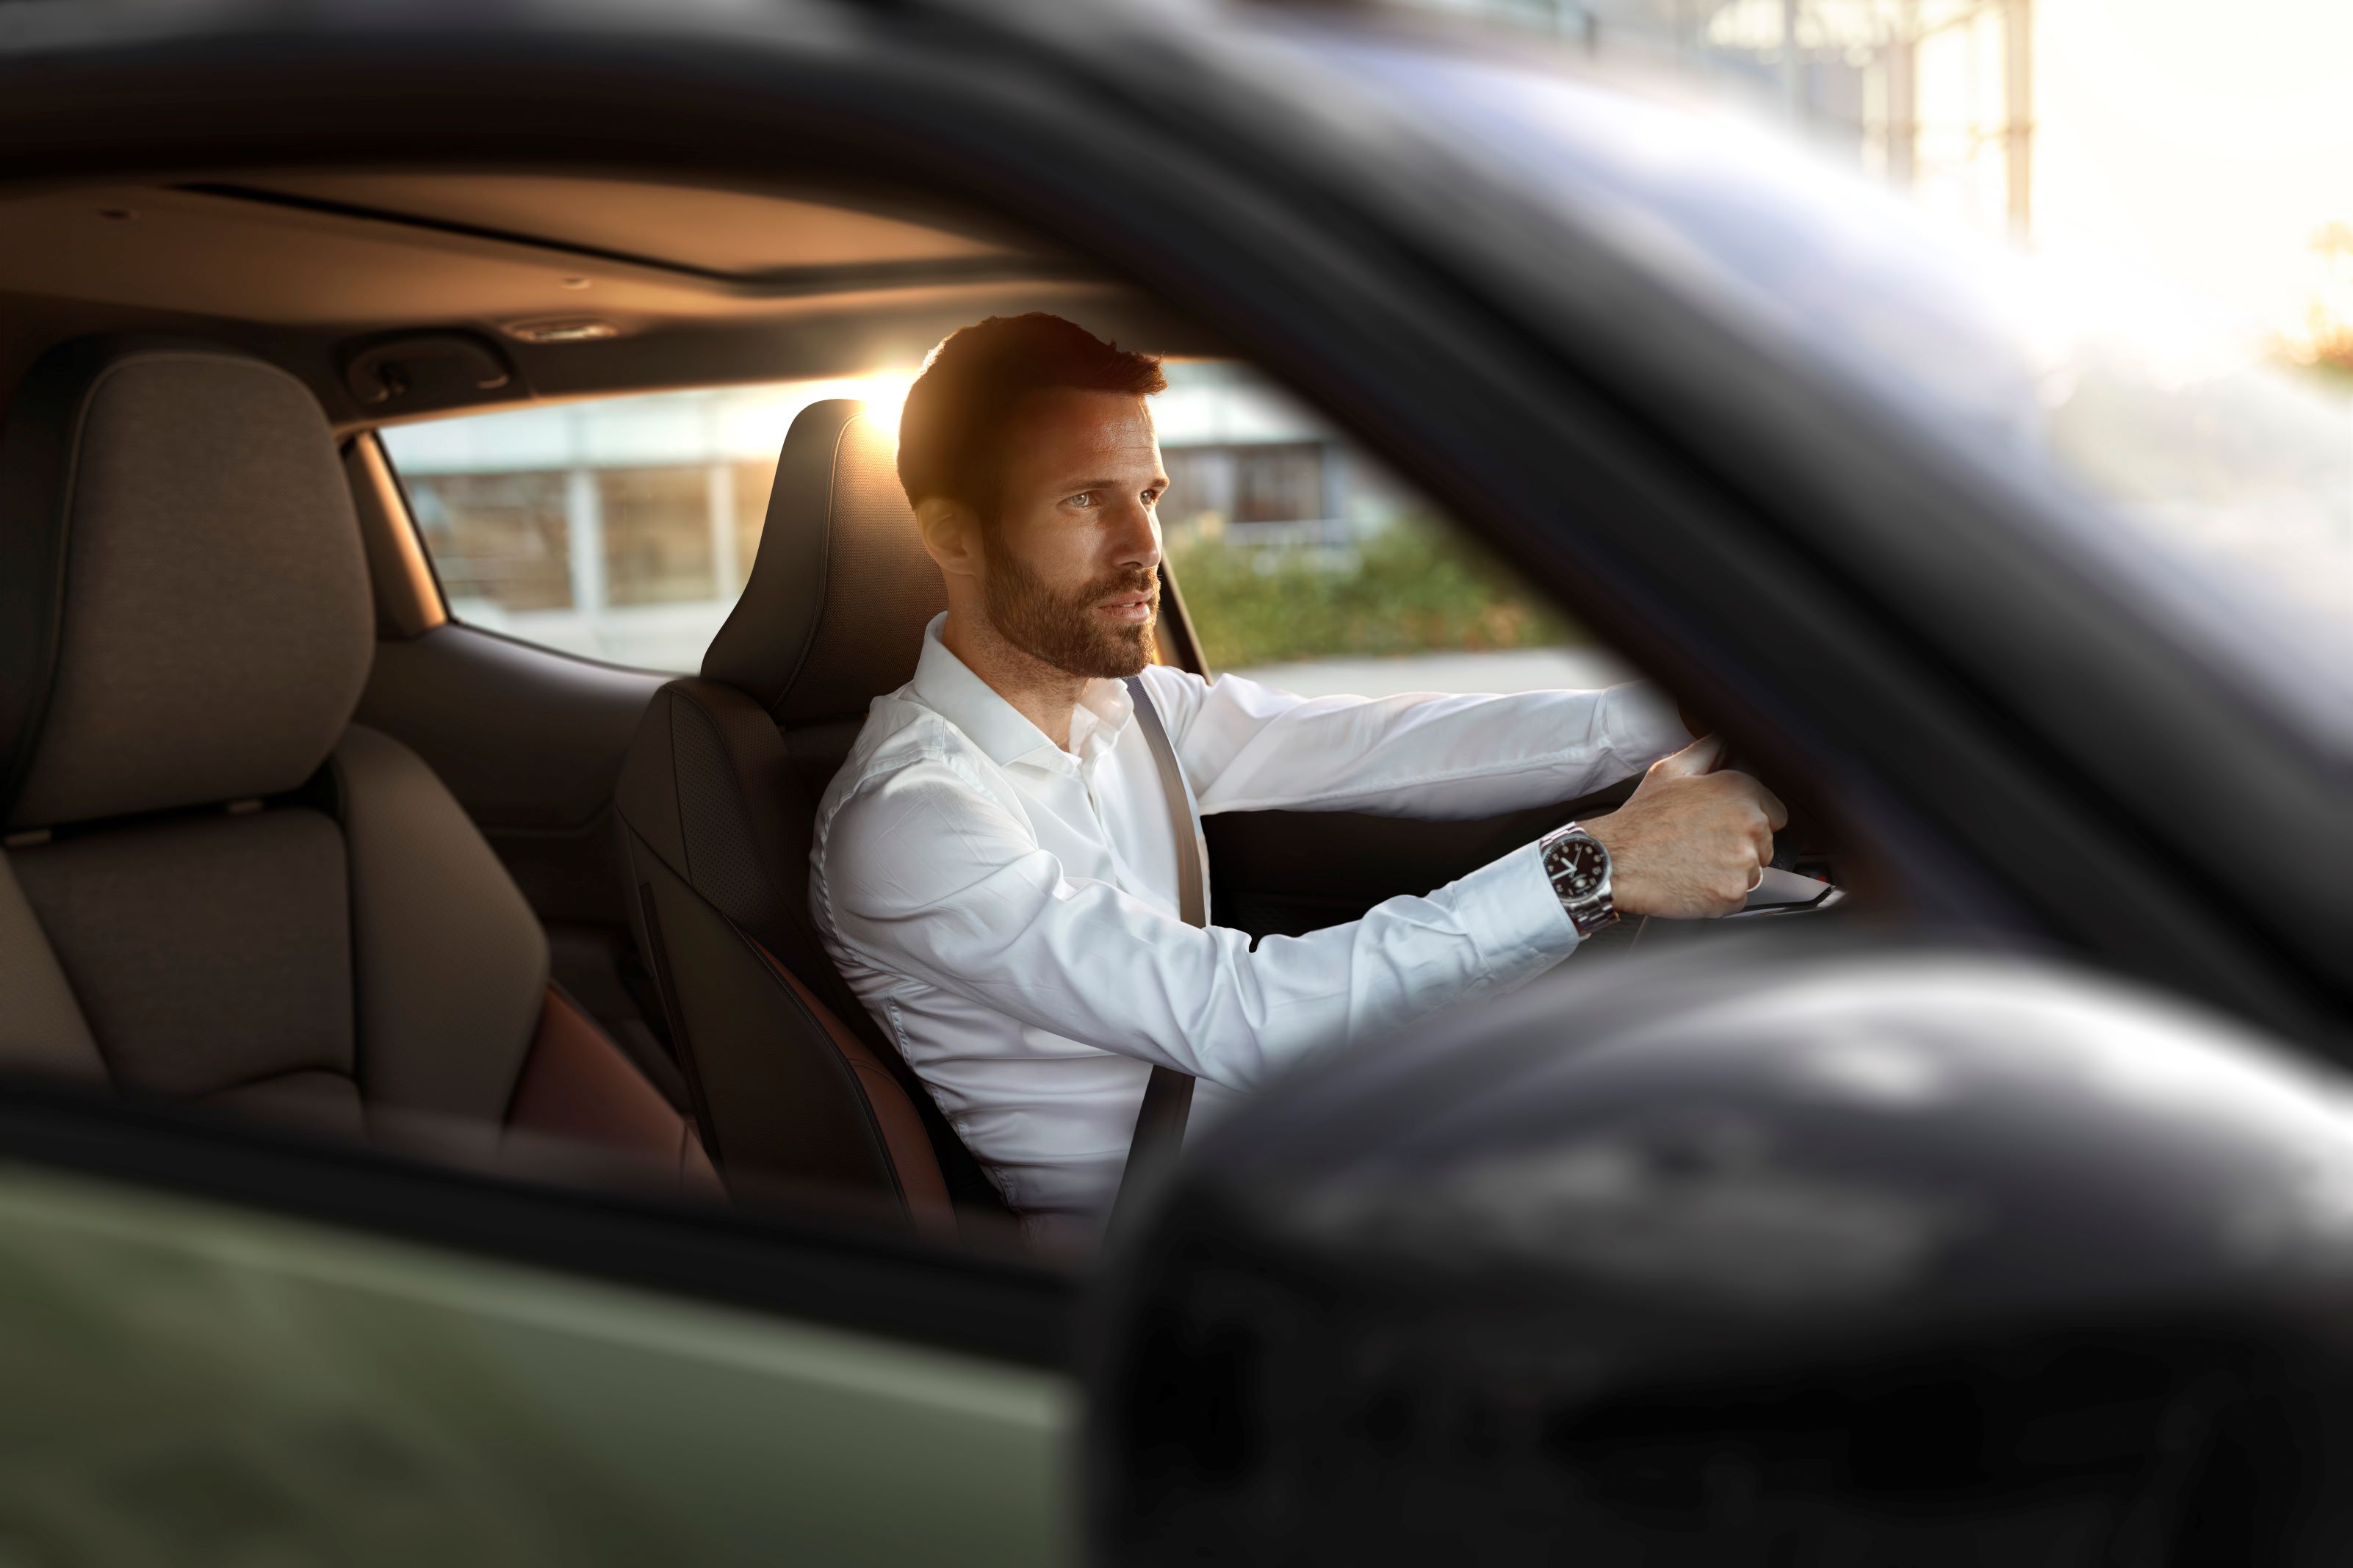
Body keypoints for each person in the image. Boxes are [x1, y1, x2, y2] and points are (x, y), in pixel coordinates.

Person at [810, 314, 1784, 1245]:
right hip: (1195, 1246)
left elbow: (1388, 744)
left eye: (1145, 495)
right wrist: (1598, 865)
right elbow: (1249, 1019)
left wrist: (1686, 715)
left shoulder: (1134, 707)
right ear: (953, 537)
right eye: (1082, 499)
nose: (1144, 545)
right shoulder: (912, 819)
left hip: (1319, 1154)